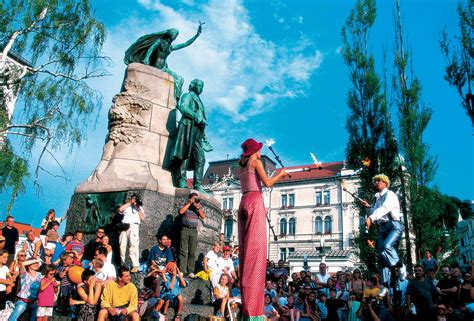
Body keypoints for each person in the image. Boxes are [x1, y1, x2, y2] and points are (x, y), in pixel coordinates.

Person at [238, 138, 288, 321]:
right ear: (254, 151)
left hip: (244, 202)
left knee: (246, 254)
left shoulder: (242, 166)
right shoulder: (255, 162)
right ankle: (254, 313)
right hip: (255, 201)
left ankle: (247, 308)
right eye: (258, 149)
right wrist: (281, 174)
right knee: (256, 254)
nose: (260, 151)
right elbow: (267, 183)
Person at [124, 25, 203, 101]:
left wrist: (197, 35)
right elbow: (151, 49)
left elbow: (186, 44)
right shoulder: (160, 42)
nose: (175, 35)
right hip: (154, 65)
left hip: (163, 68)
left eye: (176, 35)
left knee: (180, 79)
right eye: (174, 33)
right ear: (169, 33)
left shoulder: (170, 47)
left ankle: (175, 99)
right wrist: (146, 58)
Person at [170, 79, 212, 192]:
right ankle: (181, 180)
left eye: (201, 86)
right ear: (192, 86)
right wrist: (196, 116)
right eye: (198, 85)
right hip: (188, 127)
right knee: (185, 154)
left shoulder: (199, 100)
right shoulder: (188, 95)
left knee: (200, 159)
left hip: (198, 131)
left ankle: (198, 184)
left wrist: (206, 139)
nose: (200, 88)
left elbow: (202, 120)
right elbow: (183, 107)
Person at [362, 174, 403, 286]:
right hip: (382, 227)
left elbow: (384, 209)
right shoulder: (378, 198)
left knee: (387, 246)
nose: (376, 183)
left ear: (385, 182)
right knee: (381, 256)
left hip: (393, 226)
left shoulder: (390, 195)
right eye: (375, 181)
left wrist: (371, 217)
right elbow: (375, 213)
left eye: (379, 180)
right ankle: (386, 282)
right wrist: (368, 208)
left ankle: (399, 266)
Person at [177, 193, 205, 277]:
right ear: (189, 198)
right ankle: (182, 270)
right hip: (185, 229)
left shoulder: (197, 207)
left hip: (193, 231)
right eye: (193, 198)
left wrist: (198, 207)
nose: (195, 200)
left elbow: (203, 216)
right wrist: (189, 203)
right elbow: (181, 211)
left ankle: (190, 271)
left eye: (196, 199)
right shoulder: (186, 205)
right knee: (183, 251)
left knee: (192, 252)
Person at [118, 194, 145, 273]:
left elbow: (143, 218)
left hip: (134, 226)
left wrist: (137, 207)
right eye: (134, 199)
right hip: (124, 226)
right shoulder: (127, 206)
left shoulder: (139, 208)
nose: (135, 201)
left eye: (136, 199)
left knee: (133, 245)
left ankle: (135, 264)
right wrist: (130, 202)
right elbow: (120, 210)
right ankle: (122, 261)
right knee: (122, 244)